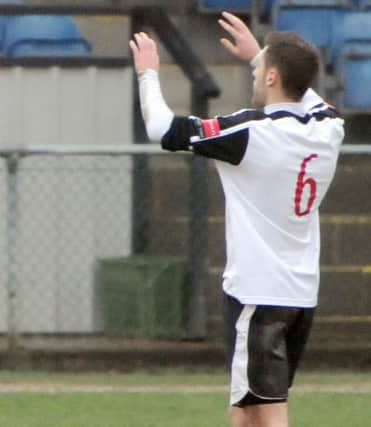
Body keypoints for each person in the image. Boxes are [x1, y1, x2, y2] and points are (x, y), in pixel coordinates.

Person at [129, 11, 344, 427]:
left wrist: (149, 74)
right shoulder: (328, 125)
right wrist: (259, 54)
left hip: (258, 293)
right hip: (299, 294)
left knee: (268, 409)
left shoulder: (251, 133)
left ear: (271, 77)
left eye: (260, 68)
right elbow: (303, 90)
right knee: (245, 410)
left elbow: (161, 128)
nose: (254, 73)